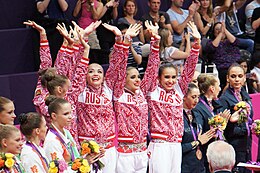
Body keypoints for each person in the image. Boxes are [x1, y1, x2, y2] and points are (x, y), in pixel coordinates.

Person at [76, 23, 141, 173]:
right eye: (91, 71)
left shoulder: (108, 88)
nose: (95, 74)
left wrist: (121, 40)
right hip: (88, 150)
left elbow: (118, 65)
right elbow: (77, 67)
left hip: (109, 149)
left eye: (99, 71)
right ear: (85, 75)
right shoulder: (79, 91)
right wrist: (84, 38)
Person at [105, 21, 159, 173]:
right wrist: (125, 41)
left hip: (142, 150)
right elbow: (119, 68)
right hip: (124, 153)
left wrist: (155, 40)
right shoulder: (118, 93)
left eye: (138, 77)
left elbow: (152, 69)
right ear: (124, 79)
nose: (137, 80)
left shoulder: (142, 92)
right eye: (133, 77)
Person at [147, 21, 201, 173]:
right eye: (167, 77)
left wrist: (196, 43)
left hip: (176, 144)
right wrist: (155, 42)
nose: (171, 81)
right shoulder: (153, 90)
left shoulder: (179, 90)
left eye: (173, 77)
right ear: (159, 78)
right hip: (160, 144)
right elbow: (152, 67)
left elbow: (189, 68)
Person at [219, 63, 253, 173]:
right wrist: (230, 121)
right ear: (227, 78)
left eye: (240, 76)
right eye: (233, 76)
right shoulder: (224, 98)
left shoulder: (245, 94)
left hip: (247, 142)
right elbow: (221, 127)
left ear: (244, 78)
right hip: (234, 143)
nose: (237, 79)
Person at [181, 83, 215, 173]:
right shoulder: (177, 117)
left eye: (198, 97)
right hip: (184, 166)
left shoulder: (197, 115)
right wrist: (197, 142)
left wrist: (216, 129)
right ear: (184, 96)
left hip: (200, 166)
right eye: (193, 97)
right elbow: (176, 148)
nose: (196, 100)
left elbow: (204, 137)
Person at [44, 96, 81, 167]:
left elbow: (76, 156)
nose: (70, 116)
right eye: (66, 114)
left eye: (71, 113)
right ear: (54, 116)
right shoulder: (51, 141)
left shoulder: (66, 132)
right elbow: (60, 170)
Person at [205, 22, 241, 89]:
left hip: (235, 65)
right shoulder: (210, 42)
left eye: (221, 28)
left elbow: (236, 42)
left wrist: (224, 30)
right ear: (213, 32)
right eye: (217, 29)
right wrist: (221, 33)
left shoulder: (229, 41)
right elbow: (212, 47)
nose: (219, 30)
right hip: (222, 68)